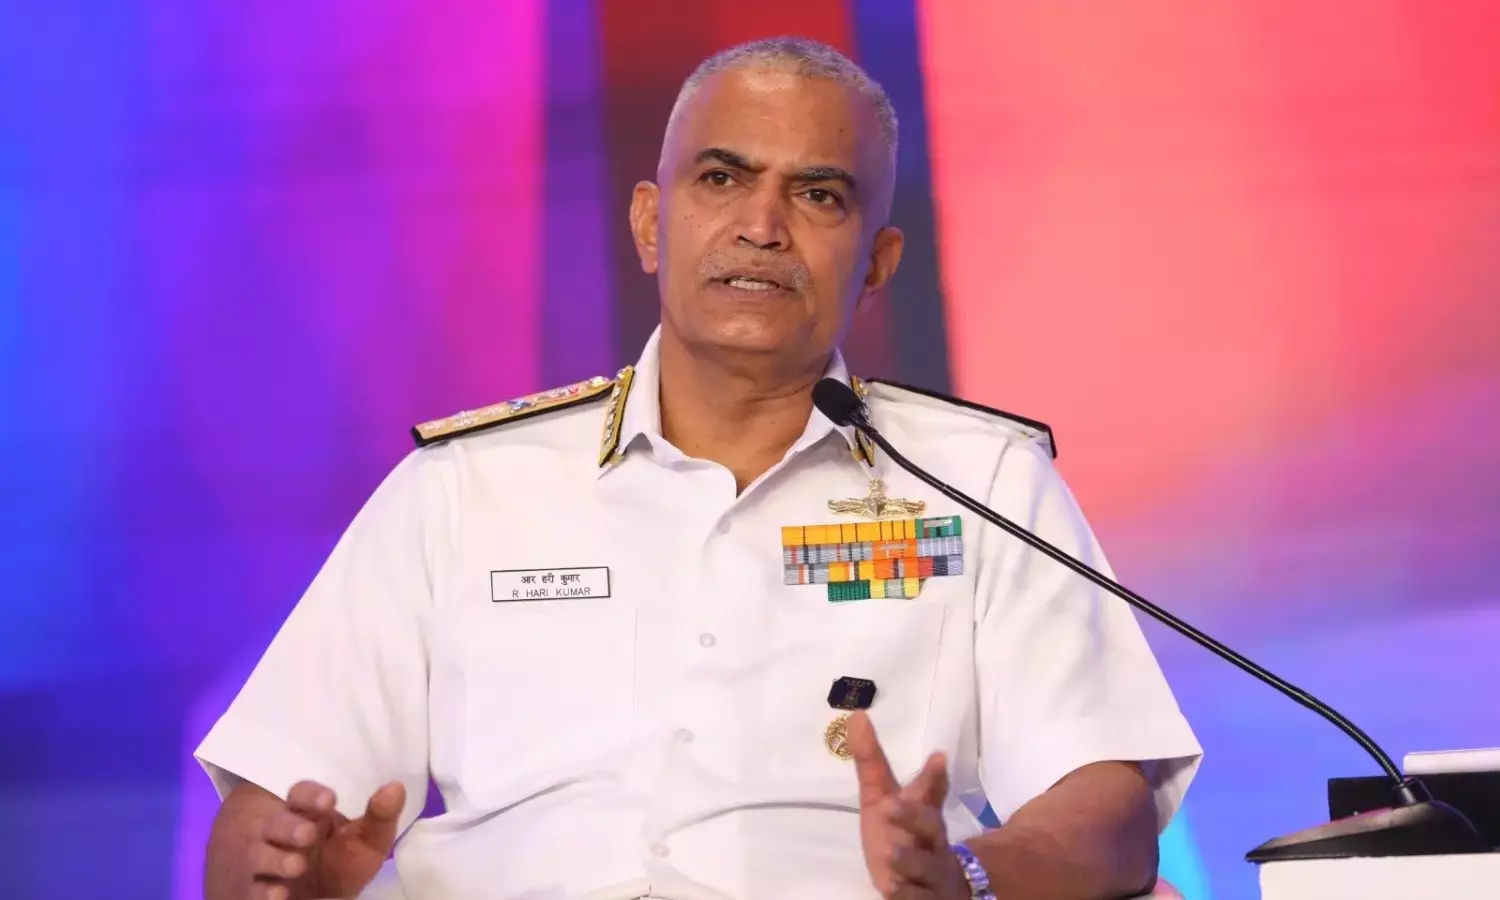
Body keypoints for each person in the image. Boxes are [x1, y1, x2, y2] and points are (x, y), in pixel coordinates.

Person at [197, 36, 1202, 900]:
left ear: (878, 264)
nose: (761, 225)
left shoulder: (980, 485)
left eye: (818, 194)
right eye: (722, 179)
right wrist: (281, 875)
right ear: (650, 224)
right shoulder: (465, 487)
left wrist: (967, 879)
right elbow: (268, 803)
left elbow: (1105, 804)